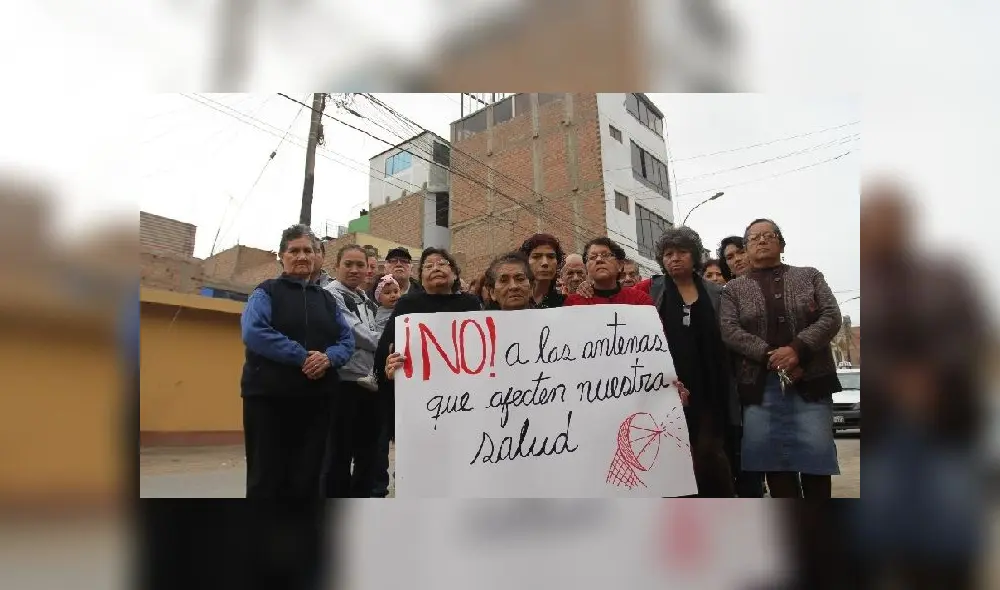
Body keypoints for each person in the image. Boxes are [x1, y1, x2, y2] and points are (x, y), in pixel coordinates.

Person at [719, 218, 842, 499]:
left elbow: (831, 316)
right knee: (772, 461)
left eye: (769, 235)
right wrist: (770, 355)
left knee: (816, 457)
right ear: (746, 249)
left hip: (811, 384)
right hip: (760, 388)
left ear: (781, 243)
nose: (761, 241)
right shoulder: (734, 290)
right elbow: (729, 330)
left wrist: (797, 349)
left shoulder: (810, 276)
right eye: (754, 238)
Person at [239, 224, 355, 498]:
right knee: (266, 476)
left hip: (316, 401)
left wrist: (328, 358)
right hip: (269, 399)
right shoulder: (266, 292)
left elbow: (347, 341)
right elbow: (254, 331)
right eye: (294, 250)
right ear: (281, 255)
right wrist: (303, 357)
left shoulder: (327, 300)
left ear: (317, 255)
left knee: (308, 476)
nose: (302, 256)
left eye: (308, 250)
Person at [375, 248, 482, 474]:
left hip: (464, 405)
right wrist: (390, 366)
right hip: (419, 408)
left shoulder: (471, 304)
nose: (436, 268)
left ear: (454, 274)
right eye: (429, 266)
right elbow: (386, 350)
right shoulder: (407, 306)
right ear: (420, 276)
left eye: (442, 263)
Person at [651, 227, 735, 497]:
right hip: (668, 392)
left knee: (710, 453)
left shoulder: (717, 293)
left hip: (712, 388)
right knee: (676, 457)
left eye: (682, 252)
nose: (674, 258)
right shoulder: (652, 290)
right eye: (668, 254)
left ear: (695, 256)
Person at [320, 245, 381, 498]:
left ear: (368, 269)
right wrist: (391, 342)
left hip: (368, 385)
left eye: (360, 265)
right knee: (338, 456)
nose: (355, 270)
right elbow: (356, 333)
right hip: (342, 385)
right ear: (337, 266)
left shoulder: (365, 299)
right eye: (349, 264)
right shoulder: (330, 295)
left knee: (368, 455)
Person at [369, 273, 401, 498]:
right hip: (384, 380)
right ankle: (378, 485)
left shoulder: (408, 310)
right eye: (387, 293)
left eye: (395, 291)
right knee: (380, 439)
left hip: (404, 381)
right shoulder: (378, 317)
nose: (393, 296)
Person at [564, 238, 654, 306]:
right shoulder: (573, 303)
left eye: (605, 255)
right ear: (586, 268)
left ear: (620, 265)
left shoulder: (640, 300)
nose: (599, 260)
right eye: (592, 257)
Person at [518, 233, 566, 308]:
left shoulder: (564, 303)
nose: (545, 263)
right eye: (536, 257)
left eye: (551, 256)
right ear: (525, 262)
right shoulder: (513, 300)